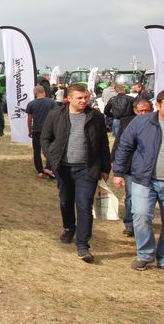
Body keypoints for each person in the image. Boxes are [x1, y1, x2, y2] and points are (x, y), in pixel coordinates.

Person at [41, 83, 110, 263]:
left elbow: (103, 142)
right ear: (69, 98)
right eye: (79, 98)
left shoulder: (95, 116)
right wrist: (51, 159)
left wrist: (105, 168)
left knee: (84, 205)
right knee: (65, 201)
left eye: (86, 97)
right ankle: (69, 228)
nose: (83, 101)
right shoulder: (55, 115)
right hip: (63, 168)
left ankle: (82, 245)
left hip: (87, 168)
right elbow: (45, 138)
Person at [112, 91, 164, 270]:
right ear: (158, 104)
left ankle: (163, 257)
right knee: (141, 215)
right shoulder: (142, 122)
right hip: (144, 179)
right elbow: (124, 146)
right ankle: (145, 254)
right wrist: (118, 172)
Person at [111, 97, 153, 237]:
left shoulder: (155, 123)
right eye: (141, 111)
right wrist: (114, 163)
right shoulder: (127, 122)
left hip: (147, 167)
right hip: (129, 166)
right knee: (130, 196)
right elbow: (119, 144)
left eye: (147, 111)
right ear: (135, 110)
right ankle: (129, 224)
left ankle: (143, 221)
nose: (144, 114)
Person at [26, 85, 57, 179]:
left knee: (37, 151)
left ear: (35, 93)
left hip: (36, 130)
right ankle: (48, 168)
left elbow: (29, 119)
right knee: (50, 150)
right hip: (50, 130)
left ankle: (40, 171)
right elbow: (56, 116)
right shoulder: (52, 102)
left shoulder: (31, 104)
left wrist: (29, 130)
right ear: (44, 92)